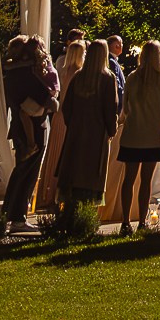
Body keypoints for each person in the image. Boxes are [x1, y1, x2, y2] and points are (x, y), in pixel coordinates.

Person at [112, 40, 160, 235]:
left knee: (129, 179)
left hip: (133, 133)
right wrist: (158, 124)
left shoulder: (133, 78)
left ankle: (126, 221)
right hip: (152, 135)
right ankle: (142, 220)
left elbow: (126, 105)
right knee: (146, 180)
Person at [1, 34, 60, 232]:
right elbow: (45, 97)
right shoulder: (28, 74)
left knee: (20, 170)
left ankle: (8, 213)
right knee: (28, 172)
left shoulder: (10, 73)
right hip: (35, 126)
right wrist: (53, 102)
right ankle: (18, 217)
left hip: (18, 123)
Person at [56, 34, 121, 207]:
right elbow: (111, 107)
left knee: (74, 169)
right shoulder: (107, 78)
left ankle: (70, 210)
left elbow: (66, 106)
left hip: (76, 133)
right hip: (97, 133)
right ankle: (87, 213)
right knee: (91, 172)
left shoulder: (79, 76)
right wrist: (111, 129)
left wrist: (73, 124)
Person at [36, 40, 83, 214]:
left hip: (59, 115)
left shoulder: (62, 71)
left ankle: (48, 192)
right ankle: (60, 194)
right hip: (69, 115)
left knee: (54, 153)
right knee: (65, 153)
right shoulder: (78, 73)